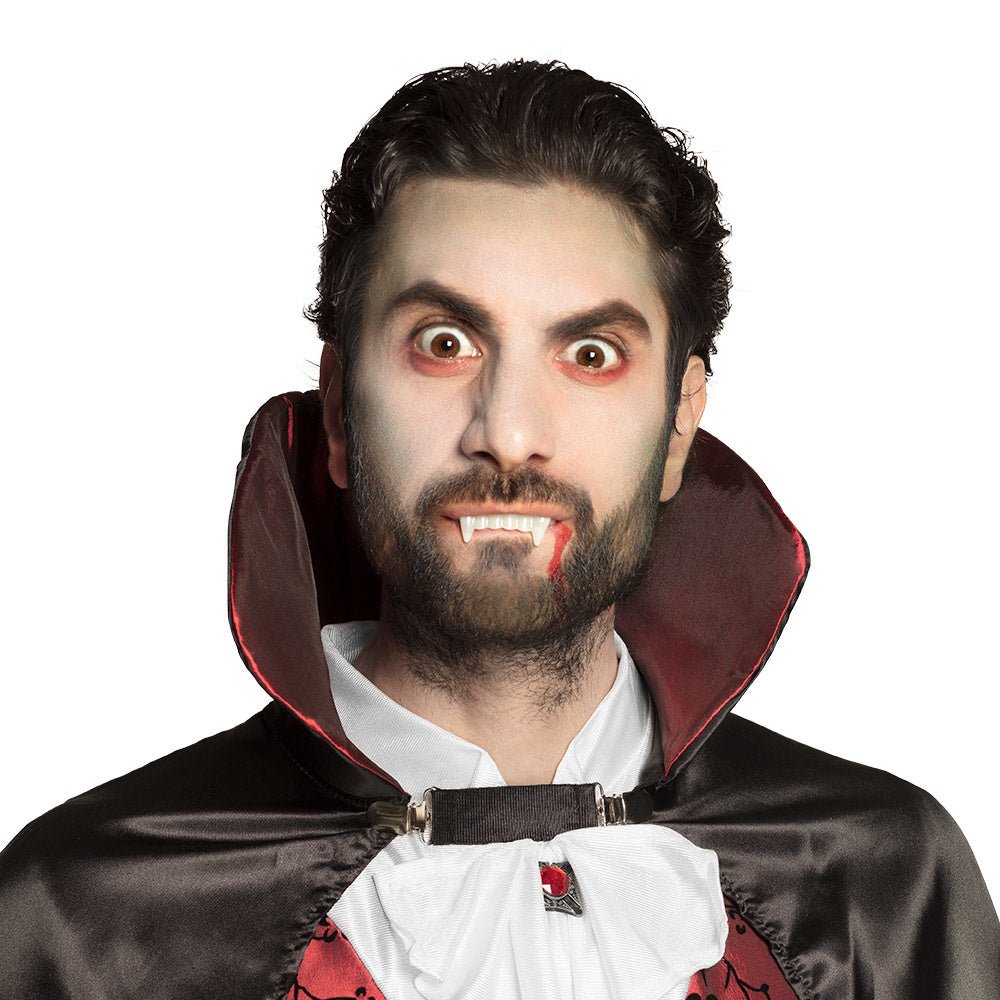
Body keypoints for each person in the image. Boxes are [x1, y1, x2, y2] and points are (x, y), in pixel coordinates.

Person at [1, 59, 996, 1000]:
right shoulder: (87, 916)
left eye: (591, 353)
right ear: (340, 410)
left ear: (678, 424)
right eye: (445, 343)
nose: (509, 433)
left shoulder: (879, 885)